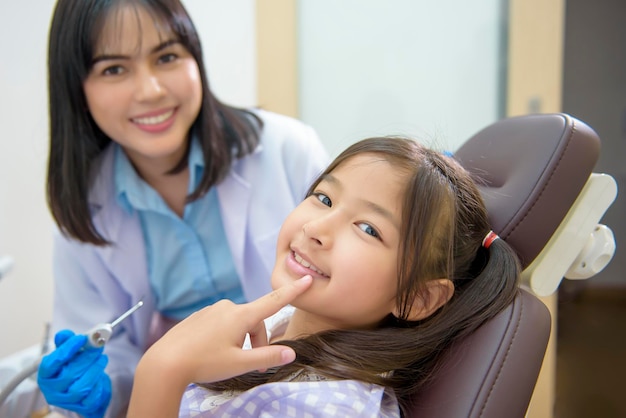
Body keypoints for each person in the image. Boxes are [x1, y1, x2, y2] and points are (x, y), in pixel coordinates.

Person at [36, 0, 328, 417]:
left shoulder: (287, 151)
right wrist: (97, 387)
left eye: (167, 56)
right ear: (76, 88)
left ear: (196, 58)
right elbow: (110, 350)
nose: (151, 90)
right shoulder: (85, 210)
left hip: (302, 378)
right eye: (114, 69)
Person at [123, 136, 521, 417]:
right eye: (324, 198)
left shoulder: (326, 407)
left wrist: (161, 371)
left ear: (417, 298)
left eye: (368, 229)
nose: (317, 228)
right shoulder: (278, 329)